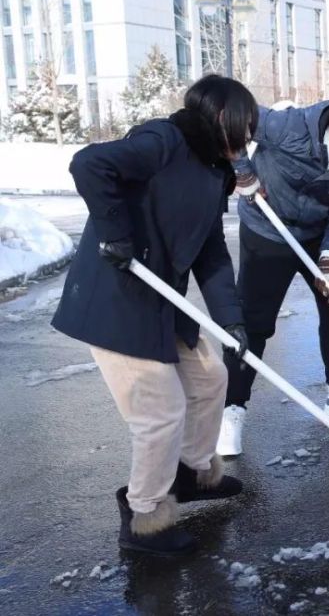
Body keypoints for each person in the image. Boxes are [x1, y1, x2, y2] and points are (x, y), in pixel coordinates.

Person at [51, 75, 255, 556]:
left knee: (210, 379)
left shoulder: (213, 169)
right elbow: (89, 164)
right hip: (118, 298)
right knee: (160, 412)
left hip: (163, 297)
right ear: (221, 117)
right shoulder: (164, 140)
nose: (248, 139)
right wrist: (114, 233)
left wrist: (231, 319)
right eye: (245, 127)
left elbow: (210, 251)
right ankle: (144, 515)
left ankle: (190, 475)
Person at [218, 91, 329, 457]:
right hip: (268, 230)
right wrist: (241, 169)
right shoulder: (288, 127)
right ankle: (231, 408)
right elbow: (226, 114)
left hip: (318, 233)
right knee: (253, 323)